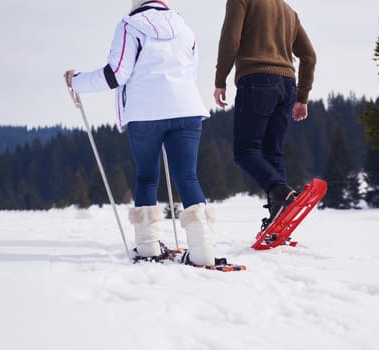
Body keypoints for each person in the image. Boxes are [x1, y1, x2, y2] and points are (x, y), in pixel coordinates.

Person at [64, 0, 216, 266]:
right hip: (187, 109)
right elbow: (191, 71)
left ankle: (147, 247)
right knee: (188, 177)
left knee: (147, 177)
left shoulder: (129, 26)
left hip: (145, 113)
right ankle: (203, 251)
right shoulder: (184, 28)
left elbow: (115, 75)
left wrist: (76, 81)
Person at [213, 0, 316, 230]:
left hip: (257, 80)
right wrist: (302, 96)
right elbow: (309, 56)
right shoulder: (288, 11)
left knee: (245, 150)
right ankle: (279, 220)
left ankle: (280, 190)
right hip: (287, 85)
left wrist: (221, 80)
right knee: (273, 153)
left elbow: (231, 39)